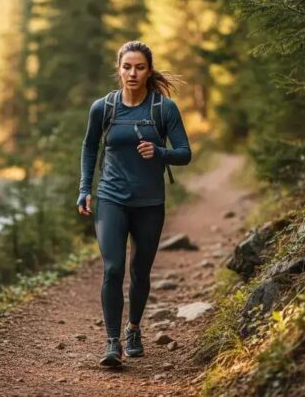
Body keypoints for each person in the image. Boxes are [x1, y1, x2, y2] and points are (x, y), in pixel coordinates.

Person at [76, 41, 192, 367]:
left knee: (140, 271)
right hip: (110, 198)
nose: (133, 73)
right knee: (113, 268)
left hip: (150, 203)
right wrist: (85, 188)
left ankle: (134, 329)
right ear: (119, 69)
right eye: (127, 67)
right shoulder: (104, 108)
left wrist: (160, 152)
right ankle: (112, 342)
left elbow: (185, 153)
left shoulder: (163, 109)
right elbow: (88, 148)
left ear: (149, 70)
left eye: (140, 67)